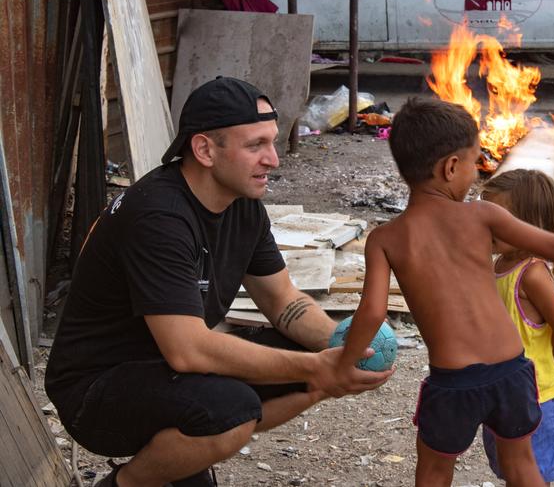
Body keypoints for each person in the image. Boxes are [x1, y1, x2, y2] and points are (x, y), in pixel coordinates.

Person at [44, 77, 393, 487]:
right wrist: (318, 368)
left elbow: (283, 302)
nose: (273, 159)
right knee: (231, 411)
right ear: (205, 150)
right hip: (96, 391)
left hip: (167, 376)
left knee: (298, 370)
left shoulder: (242, 205)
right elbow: (189, 351)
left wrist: (342, 348)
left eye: (272, 142)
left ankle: (184, 454)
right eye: (255, 146)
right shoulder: (159, 217)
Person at [335, 97, 554, 487]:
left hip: (453, 381)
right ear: (450, 167)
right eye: (473, 162)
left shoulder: (385, 239)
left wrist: (345, 361)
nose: (476, 173)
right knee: (521, 466)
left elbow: (372, 313)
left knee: (433, 469)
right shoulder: (483, 216)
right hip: (512, 371)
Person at [480, 169, 554, 485]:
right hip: (498, 392)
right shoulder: (497, 265)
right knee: (512, 471)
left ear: (527, 226)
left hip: (535, 396)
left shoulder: (532, 274)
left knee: (532, 474)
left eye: (497, 221)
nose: (486, 228)